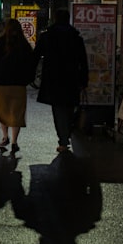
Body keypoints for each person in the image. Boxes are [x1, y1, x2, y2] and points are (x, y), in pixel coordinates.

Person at [33, 8, 89, 153]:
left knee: (58, 109)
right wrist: (84, 80)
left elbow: (36, 55)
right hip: (72, 78)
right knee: (70, 106)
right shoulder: (76, 37)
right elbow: (83, 61)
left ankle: (63, 139)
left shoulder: (48, 36)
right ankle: (67, 133)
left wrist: (30, 74)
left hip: (53, 78)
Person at [0, 19, 37, 154]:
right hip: (19, 84)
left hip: (2, 83)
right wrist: (29, 79)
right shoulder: (24, 45)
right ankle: (14, 141)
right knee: (17, 112)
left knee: (3, 110)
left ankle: (5, 136)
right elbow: (31, 64)